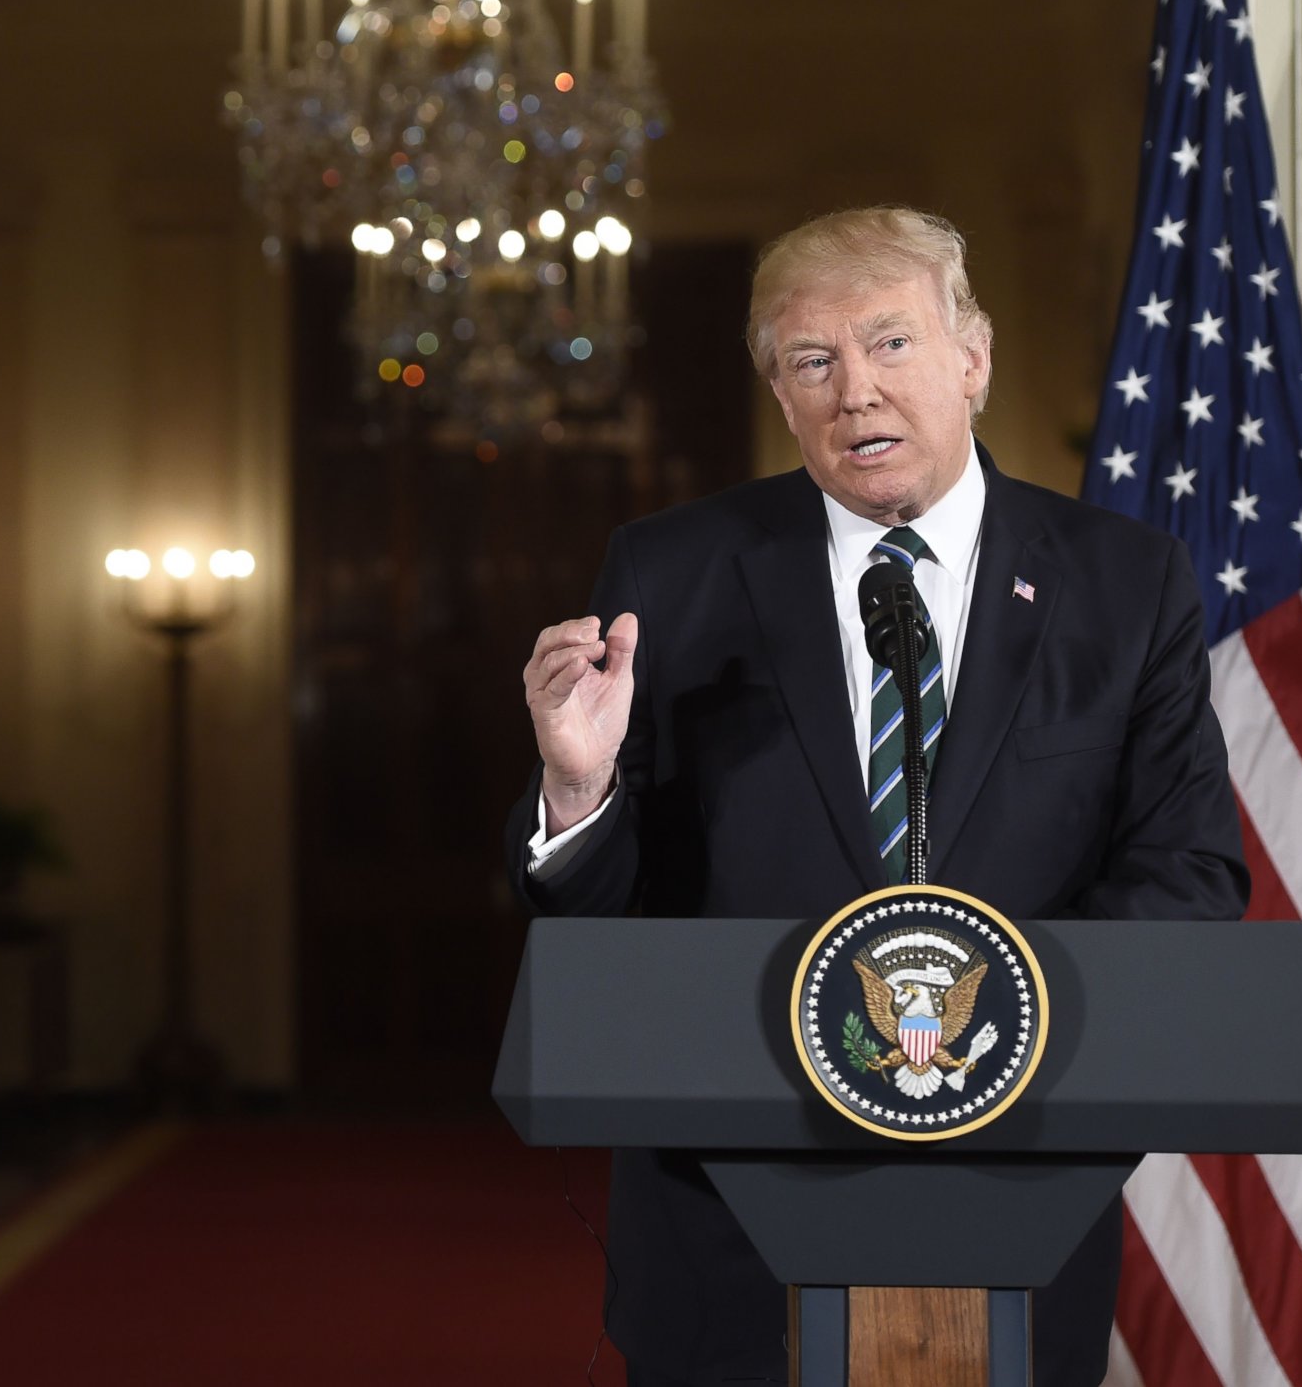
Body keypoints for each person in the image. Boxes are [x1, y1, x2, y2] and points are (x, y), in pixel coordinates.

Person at [507, 207, 1247, 1387]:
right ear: (782, 395)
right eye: (814, 361)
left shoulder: (1123, 584)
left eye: (890, 344)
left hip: (1020, 1200)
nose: (856, 391)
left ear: (974, 359)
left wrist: (991, 1042)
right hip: (725, 1228)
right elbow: (605, 918)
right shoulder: (672, 577)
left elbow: (1191, 874)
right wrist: (578, 786)